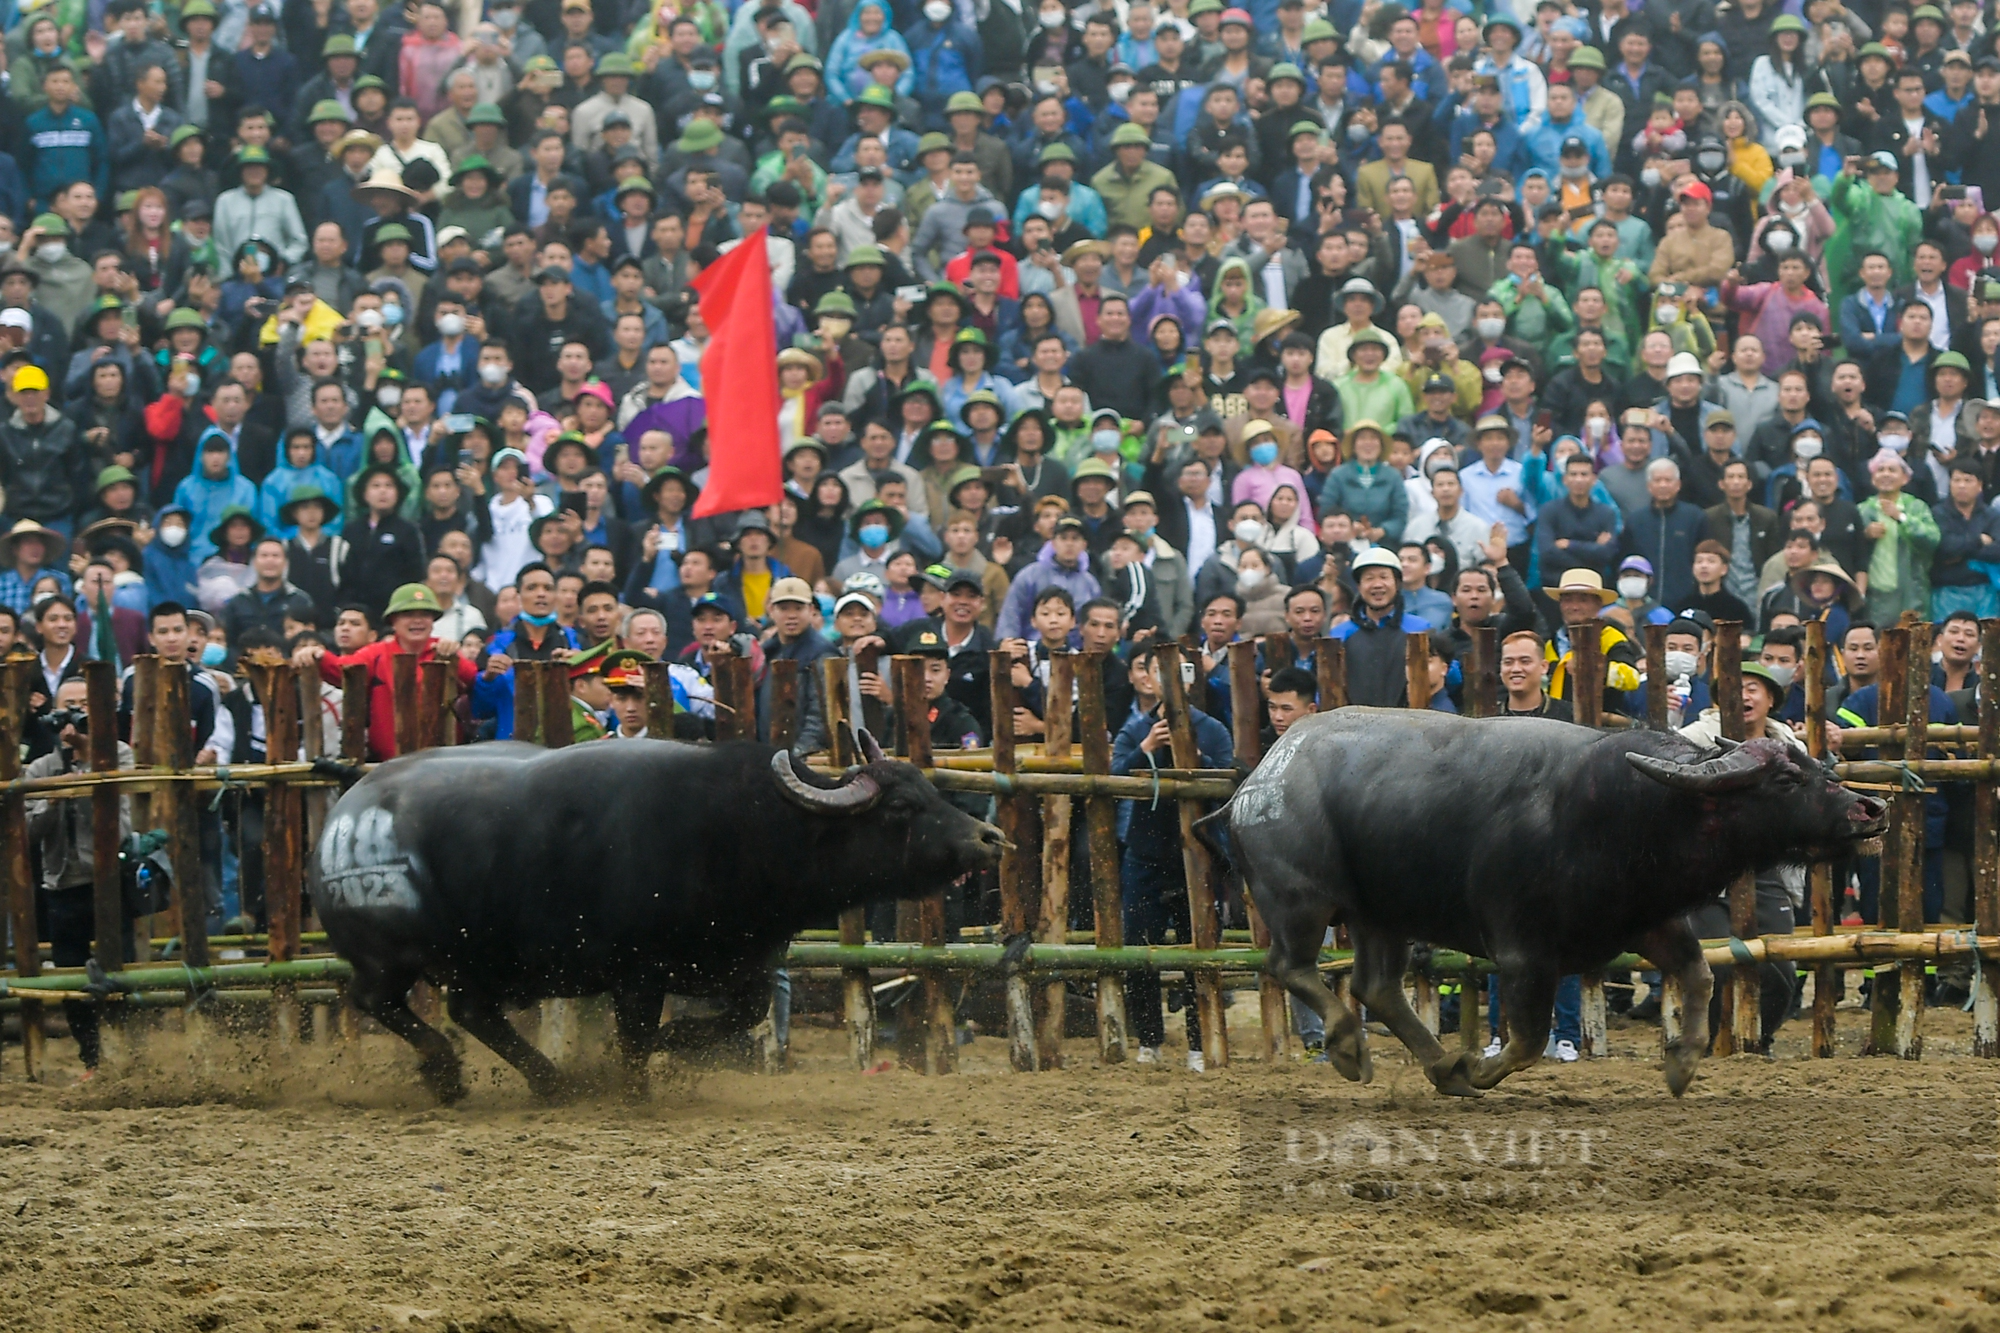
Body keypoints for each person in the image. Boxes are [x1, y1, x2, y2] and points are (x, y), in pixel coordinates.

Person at [1112, 639, 1232, 1069]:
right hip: (1144, 853)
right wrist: (1145, 749)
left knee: (1198, 952)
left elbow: (1228, 777)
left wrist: (1194, 757)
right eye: (1160, 670)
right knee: (1138, 950)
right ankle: (1149, 1040)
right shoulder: (1135, 728)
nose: (1169, 678)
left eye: (1180, 670)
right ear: (1147, 677)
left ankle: (1200, 1044)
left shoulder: (1212, 728)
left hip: (1197, 856)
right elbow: (1112, 776)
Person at [1677, 660, 1804, 1052]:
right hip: (1708, 868)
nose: (1745, 696)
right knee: (1711, 960)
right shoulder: (1690, 740)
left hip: (1766, 869)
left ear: (1770, 700)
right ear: (1718, 699)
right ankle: (1710, 1041)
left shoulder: (1791, 748)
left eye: (1755, 689)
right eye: (1738, 687)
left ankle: (1760, 1038)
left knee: (1781, 968)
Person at [23, 676, 136, 1077]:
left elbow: (121, 824)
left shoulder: (119, 755)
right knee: (71, 977)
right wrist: (55, 795)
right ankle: (92, 1061)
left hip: (110, 880)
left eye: (84, 706)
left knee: (120, 970)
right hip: (62, 883)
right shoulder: (41, 767)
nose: (74, 715)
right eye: (67, 707)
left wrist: (91, 767)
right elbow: (29, 833)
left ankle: (127, 1056)